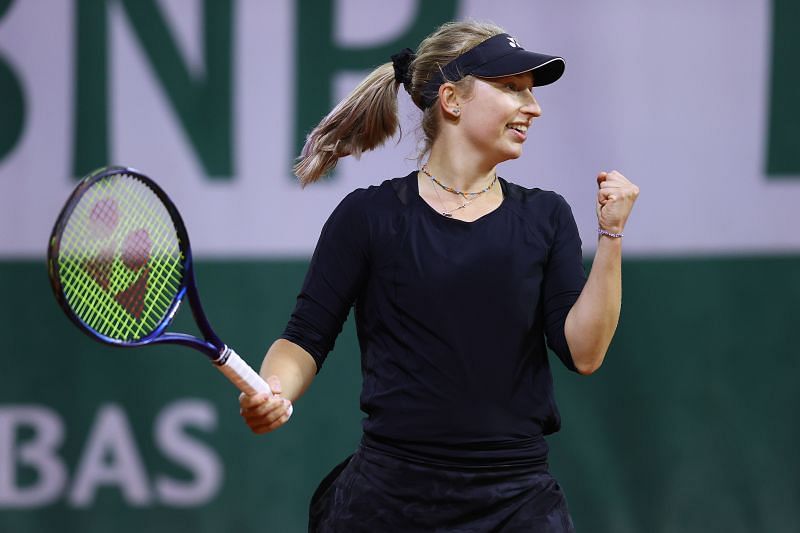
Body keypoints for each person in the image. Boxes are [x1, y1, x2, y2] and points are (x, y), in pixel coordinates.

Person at [239, 20, 639, 532]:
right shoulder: (368, 216)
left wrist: (611, 237)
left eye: (532, 92)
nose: (532, 107)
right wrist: (274, 387)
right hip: (389, 501)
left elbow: (584, 352)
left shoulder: (547, 216)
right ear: (452, 99)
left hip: (516, 502)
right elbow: (304, 339)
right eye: (512, 88)